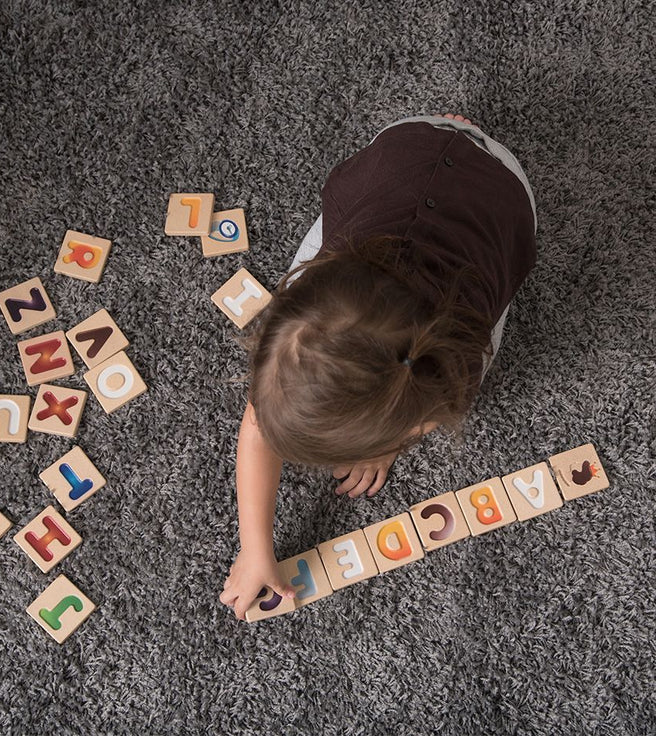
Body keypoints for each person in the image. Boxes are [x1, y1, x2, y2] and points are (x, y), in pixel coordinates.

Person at [219, 114, 538, 619]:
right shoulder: (310, 303)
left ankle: (456, 140)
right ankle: (452, 137)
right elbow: (259, 425)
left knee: (455, 376)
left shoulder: (459, 361)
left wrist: (385, 445)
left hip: (499, 190)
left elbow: (425, 405)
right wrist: (256, 546)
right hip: (405, 150)